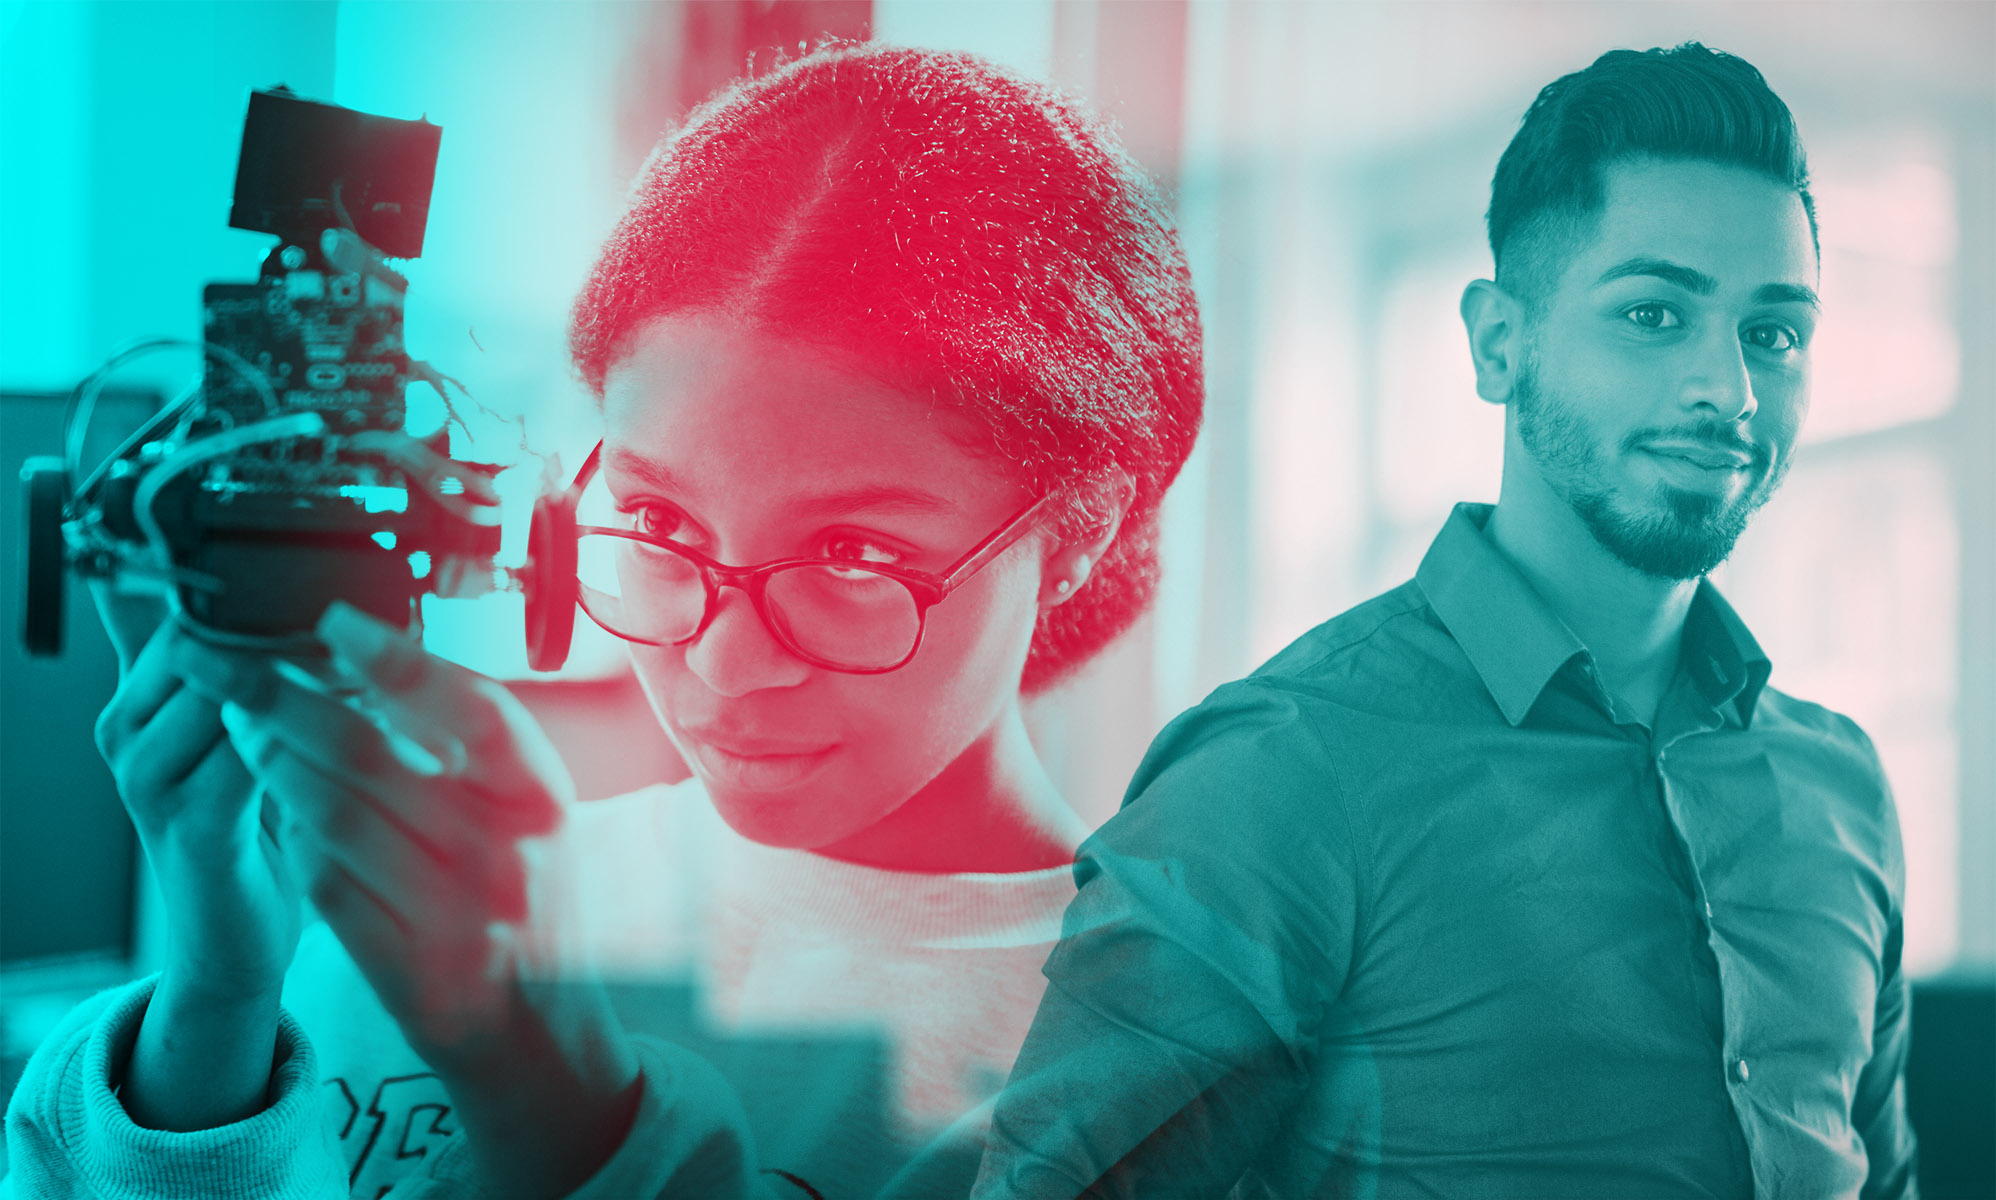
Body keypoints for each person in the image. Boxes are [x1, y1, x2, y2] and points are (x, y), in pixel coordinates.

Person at [3, 43, 1203, 1200]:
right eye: (665, 525)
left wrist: (546, 1091)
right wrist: (218, 990)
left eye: (854, 552)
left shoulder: (1159, 1069)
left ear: (1083, 522)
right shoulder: (474, 877)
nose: (726, 665)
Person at [972, 43, 1917, 1199]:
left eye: (1773, 333)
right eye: (1653, 314)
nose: (1726, 389)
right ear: (1497, 343)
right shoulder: (1282, 773)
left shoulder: (1842, 790)